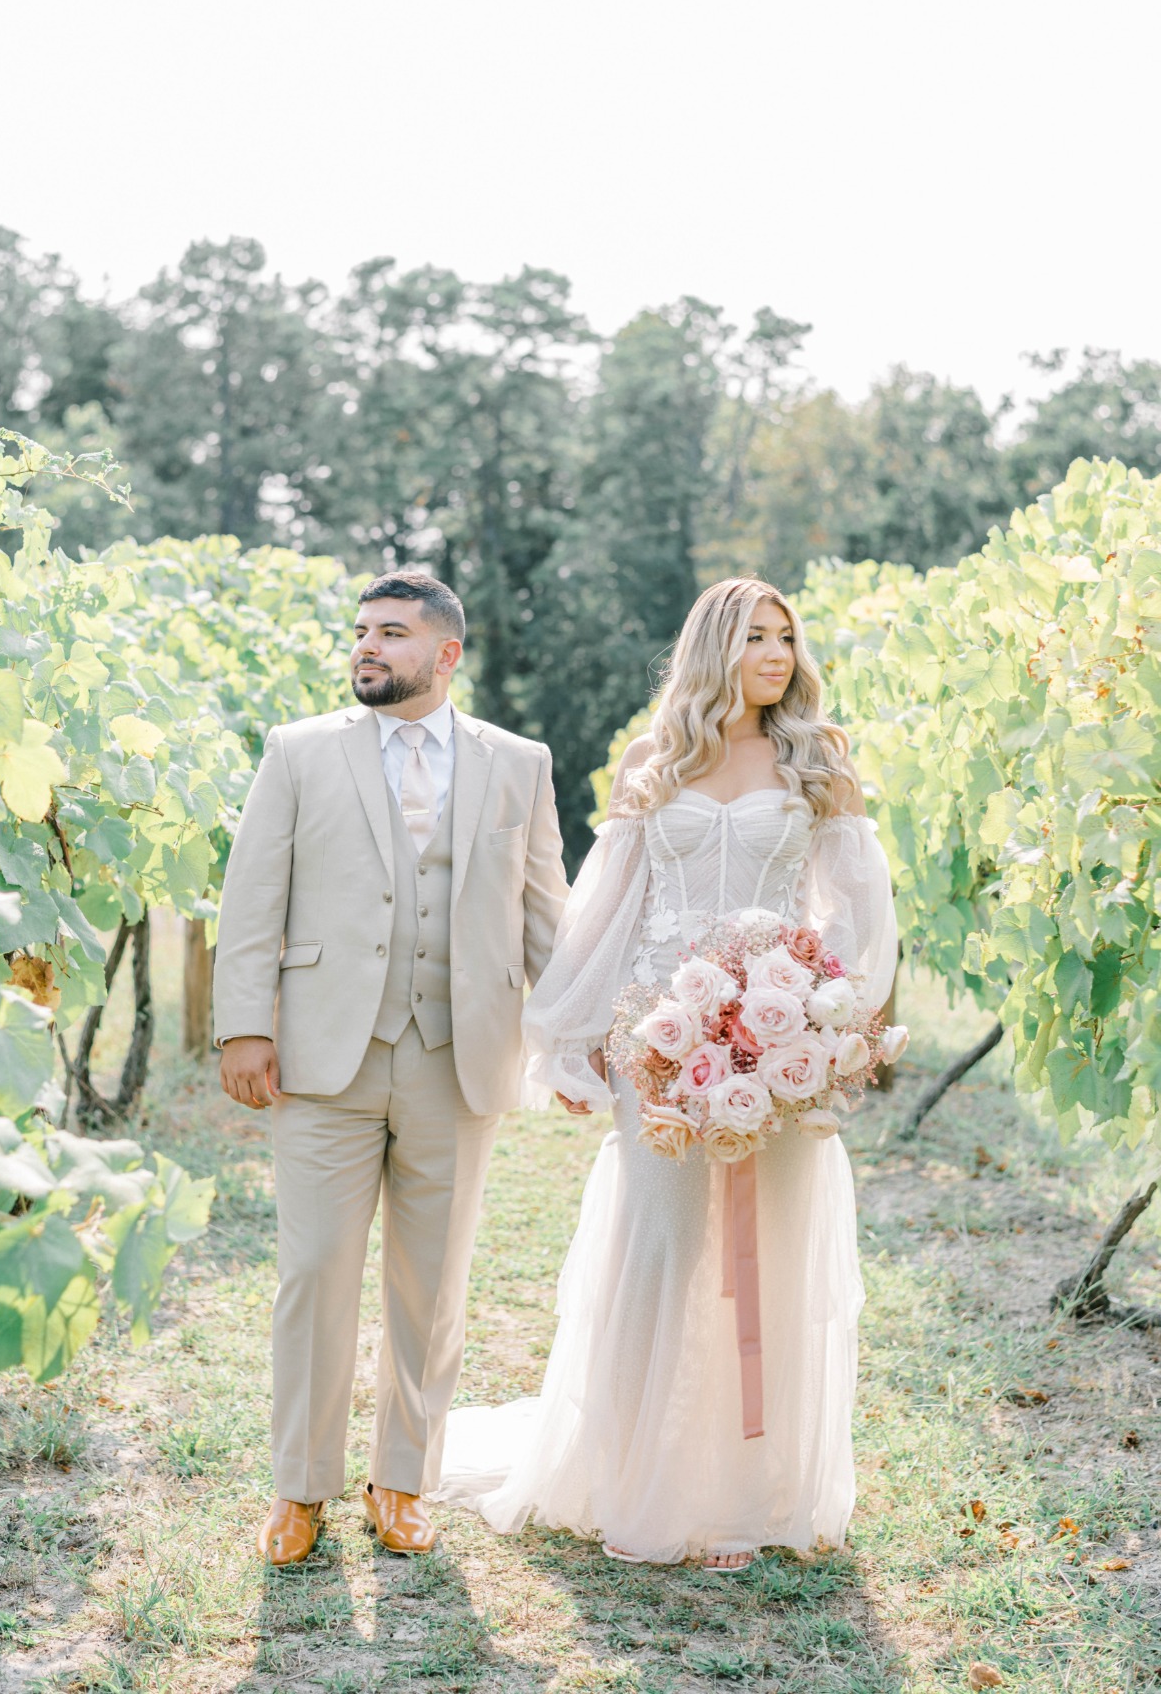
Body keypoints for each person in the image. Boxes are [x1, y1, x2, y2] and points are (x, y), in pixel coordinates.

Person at [435, 577, 897, 1570]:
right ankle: (633, 1474)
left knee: (770, 1251)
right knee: (663, 1242)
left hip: (781, 1042)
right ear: (713, 647)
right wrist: (568, 1029)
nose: (776, 655)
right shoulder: (659, 757)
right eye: (755, 638)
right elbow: (611, 903)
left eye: (786, 638)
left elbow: (858, 905)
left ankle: (749, 1490)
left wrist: (830, 1014)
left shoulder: (818, 757)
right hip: (662, 1034)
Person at [214, 572, 568, 1566]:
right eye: (362, 632)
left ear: (446, 655)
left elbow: (547, 908)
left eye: (393, 634)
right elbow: (253, 897)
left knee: (432, 1287)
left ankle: (403, 1479)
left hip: (460, 1056)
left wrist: (590, 1032)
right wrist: (245, 1026)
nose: (368, 647)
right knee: (315, 1273)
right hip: (324, 1054)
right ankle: (300, 1489)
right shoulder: (299, 752)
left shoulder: (519, 762)